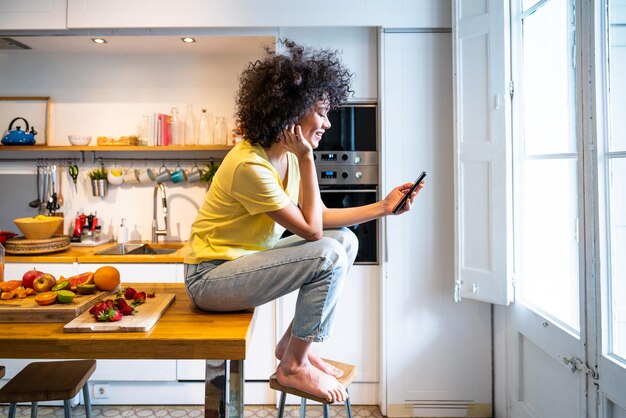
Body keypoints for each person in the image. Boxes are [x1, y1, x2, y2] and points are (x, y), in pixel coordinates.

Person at [184, 39, 424, 403]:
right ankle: (293, 365)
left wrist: (384, 207)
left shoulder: (287, 156)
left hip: (241, 265)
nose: (327, 123)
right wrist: (309, 158)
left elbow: (319, 218)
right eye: (322, 112)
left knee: (345, 240)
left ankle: (293, 345)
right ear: (291, 111)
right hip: (211, 279)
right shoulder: (250, 164)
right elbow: (312, 231)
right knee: (327, 251)